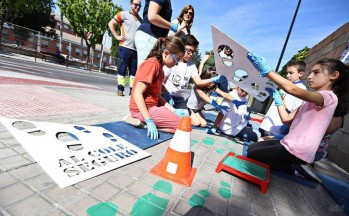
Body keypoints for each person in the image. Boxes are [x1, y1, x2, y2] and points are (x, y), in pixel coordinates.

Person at [246, 53, 349, 183]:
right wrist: (278, 101)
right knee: (252, 148)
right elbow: (286, 119)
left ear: (334, 76)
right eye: (310, 72)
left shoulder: (329, 97)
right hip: (288, 143)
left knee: (252, 155)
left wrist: (267, 71)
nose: (310, 76)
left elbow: (292, 89)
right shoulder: (310, 100)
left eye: (316, 73)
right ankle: (296, 165)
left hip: (298, 150)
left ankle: (295, 168)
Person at [129, 36, 186, 140]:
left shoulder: (160, 68)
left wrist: (173, 110)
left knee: (182, 125)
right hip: (143, 110)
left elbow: (157, 96)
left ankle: (143, 123)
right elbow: (137, 93)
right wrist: (149, 120)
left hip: (151, 108)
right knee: (182, 126)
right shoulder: (152, 64)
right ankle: (137, 118)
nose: (176, 63)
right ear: (166, 53)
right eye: (176, 59)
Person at [162, 34, 226, 110]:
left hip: (179, 99)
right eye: (189, 51)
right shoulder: (172, 61)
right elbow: (161, 82)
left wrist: (213, 79)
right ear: (182, 47)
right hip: (166, 94)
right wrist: (166, 94)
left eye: (193, 52)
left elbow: (198, 82)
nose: (191, 54)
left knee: (186, 118)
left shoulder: (192, 66)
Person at [259, 60, 306, 140]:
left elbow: (295, 113)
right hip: (268, 124)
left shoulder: (301, 90)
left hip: (277, 128)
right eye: (287, 73)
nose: (287, 75)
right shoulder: (285, 86)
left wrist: (286, 126)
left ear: (300, 73)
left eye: (291, 73)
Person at [135, 0, 186, 67]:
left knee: (152, 70)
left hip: (154, 37)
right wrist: (173, 26)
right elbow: (152, 16)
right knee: (147, 70)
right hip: (150, 35)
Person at [108, 0, 142, 96]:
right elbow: (111, 24)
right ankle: (120, 89)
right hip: (124, 47)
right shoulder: (123, 14)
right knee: (122, 69)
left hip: (135, 50)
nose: (138, 7)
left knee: (133, 72)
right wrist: (117, 36)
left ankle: (132, 91)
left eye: (140, 5)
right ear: (131, 4)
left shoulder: (141, 21)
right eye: (136, 5)